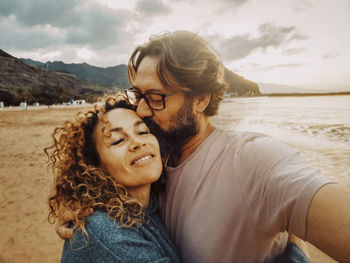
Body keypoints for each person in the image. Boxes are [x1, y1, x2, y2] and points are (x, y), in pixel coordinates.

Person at [57, 31, 350, 262]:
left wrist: (295, 238)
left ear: (200, 99)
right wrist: (82, 210)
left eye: (156, 97)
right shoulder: (156, 168)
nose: (143, 111)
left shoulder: (252, 159)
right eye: (138, 96)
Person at [46, 97, 180, 262]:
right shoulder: (105, 232)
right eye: (117, 140)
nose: (138, 142)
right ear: (93, 167)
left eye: (143, 132)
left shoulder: (150, 206)